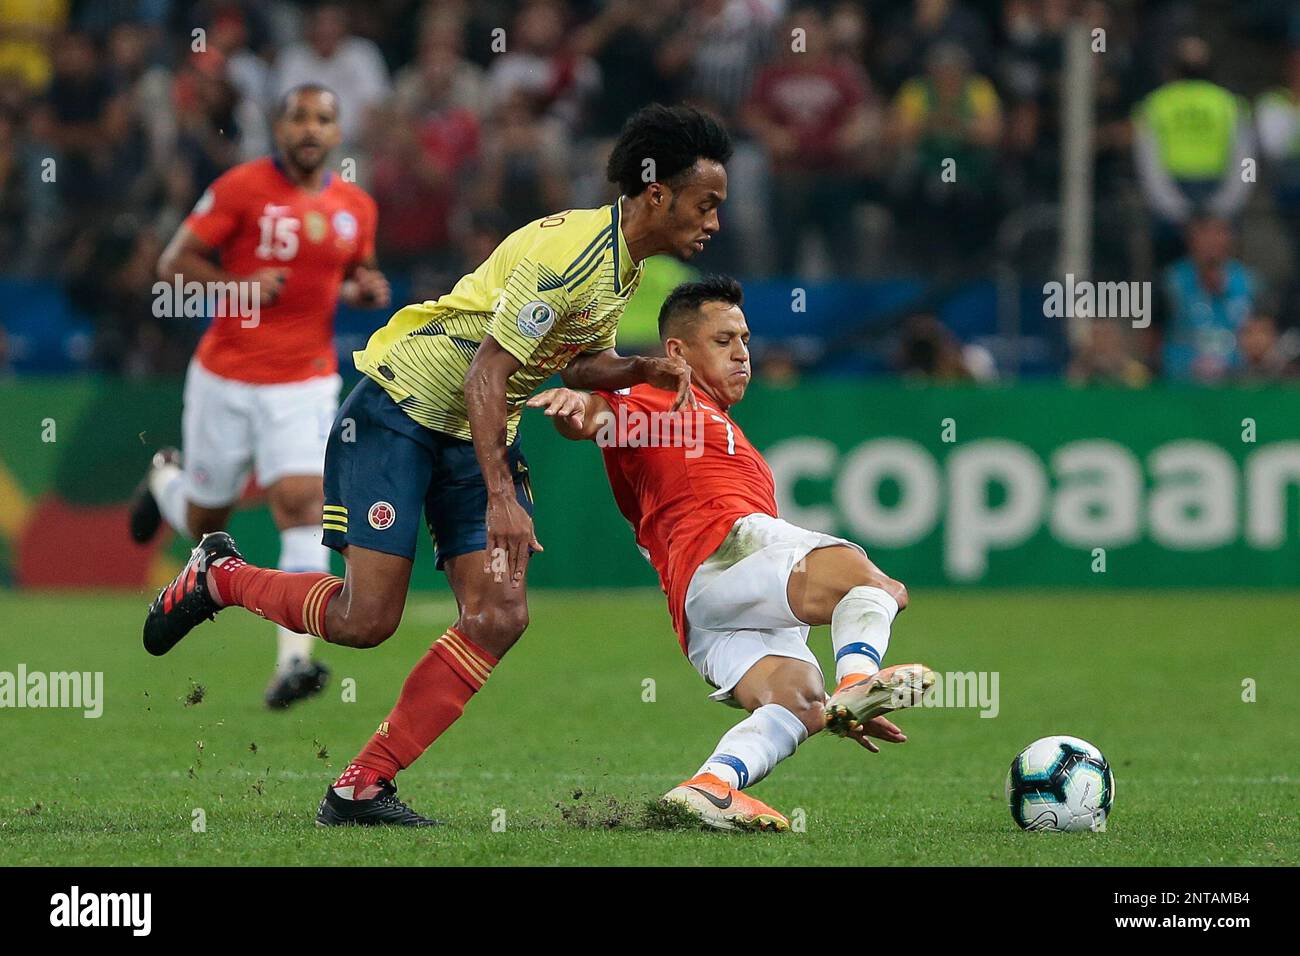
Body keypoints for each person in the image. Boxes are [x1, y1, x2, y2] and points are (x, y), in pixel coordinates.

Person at [141, 104, 734, 827]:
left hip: (471, 426)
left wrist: (641, 367)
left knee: (499, 613)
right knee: (366, 621)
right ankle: (219, 577)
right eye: (705, 205)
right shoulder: (572, 256)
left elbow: (572, 362)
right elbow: (489, 371)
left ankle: (360, 787)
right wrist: (500, 496)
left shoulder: (618, 264)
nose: (713, 222)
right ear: (655, 195)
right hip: (401, 411)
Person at [527, 276, 933, 831]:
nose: (742, 353)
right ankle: (858, 678)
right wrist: (577, 407)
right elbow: (597, 418)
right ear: (676, 352)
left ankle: (710, 786)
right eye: (723, 341)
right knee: (876, 587)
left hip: (701, 612)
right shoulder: (657, 398)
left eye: (744, 339)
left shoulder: (724, 429)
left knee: (801, 703)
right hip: (721, 548)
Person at [130, 84, 389, 708]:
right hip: (227, 377)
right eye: (299, 116)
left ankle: (294, 662)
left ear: (336, 132)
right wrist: (239, 285)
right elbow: (173, 266)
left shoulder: (356, 206)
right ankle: (166, 480)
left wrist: (362, 288)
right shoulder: (241, 188)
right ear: (278, 127)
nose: (310, 128)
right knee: (205, 523)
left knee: (301, 507)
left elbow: (352, 270)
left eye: (323, 118)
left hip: (304, 382)